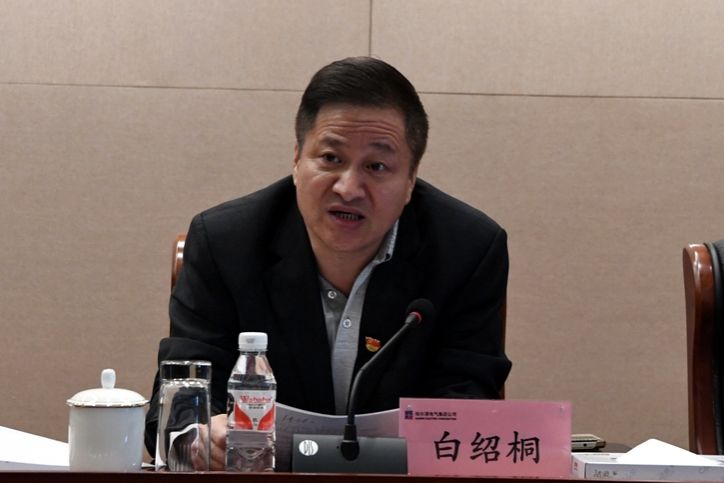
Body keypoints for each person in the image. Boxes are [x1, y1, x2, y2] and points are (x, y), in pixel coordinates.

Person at [145, 56, 511, 469]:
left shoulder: (467, 250)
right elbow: (183, 392)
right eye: (331, 159)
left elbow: (467, 397)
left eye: (376, 166)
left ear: (410, 180)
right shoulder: (226, 242)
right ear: (296, 159)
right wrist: (199, 436)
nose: (349, 188)